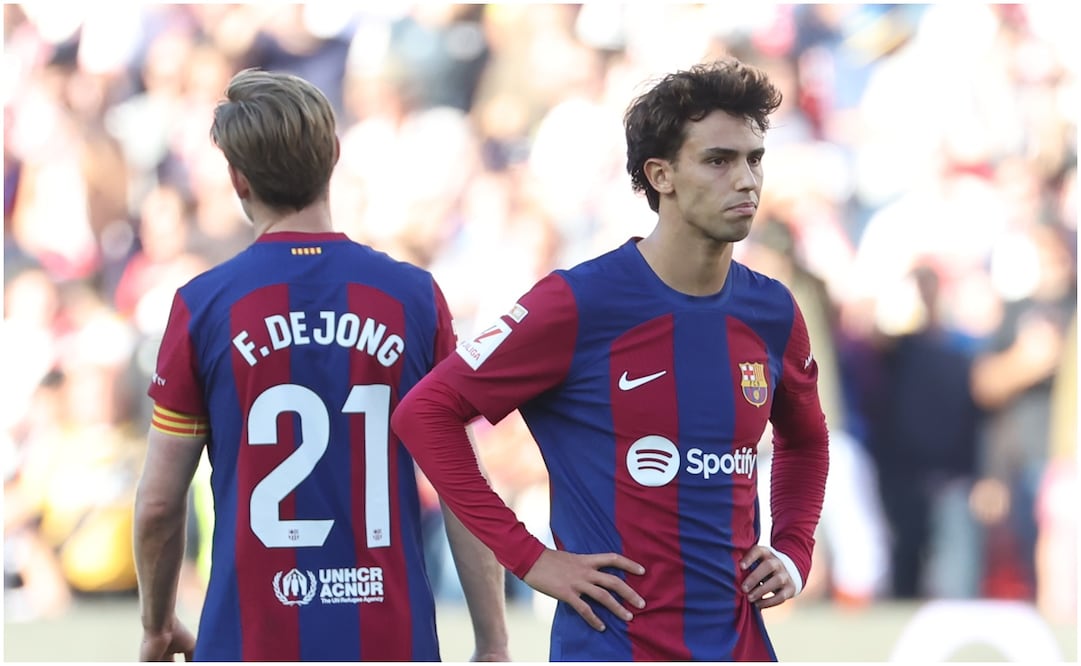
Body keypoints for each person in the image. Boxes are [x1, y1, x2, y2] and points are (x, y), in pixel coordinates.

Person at [393, 57, 831, 661]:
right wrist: (529, 556)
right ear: (662, 175)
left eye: (754, 158)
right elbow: (426, 413)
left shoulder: (773, 311)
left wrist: (794, 550)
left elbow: (807, 441)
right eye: (718, 160)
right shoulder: (577, 303)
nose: (747, 179)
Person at [132, 69, 508, 662]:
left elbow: (158, 505)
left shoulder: (202, 307)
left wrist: (157, 624)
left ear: (236, 178)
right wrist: (493, 642)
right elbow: (463, 486)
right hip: (389, 642)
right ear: (333, 155)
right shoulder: (412, 298)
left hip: (249, 643)